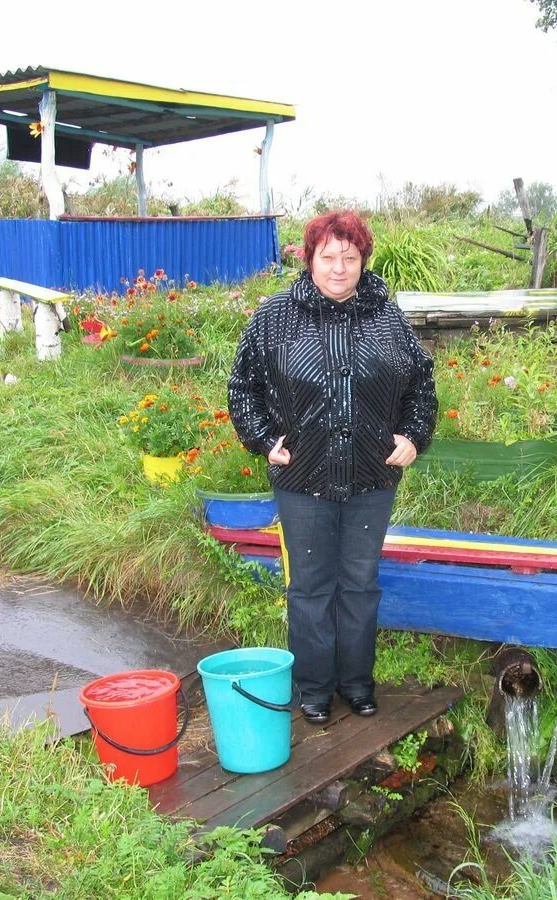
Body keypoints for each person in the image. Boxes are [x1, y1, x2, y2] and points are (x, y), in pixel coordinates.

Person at [228, 210, 437, 723]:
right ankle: (315, 688)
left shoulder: (388, 318)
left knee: (360, 583)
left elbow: (421, 387)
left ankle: (357, 683)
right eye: (329, 257)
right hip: (301, 478)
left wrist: (413, 435)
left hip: (371, 474)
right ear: (309, 258)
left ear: (363, 259)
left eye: (350, 257)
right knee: (311, 586)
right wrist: (262, 439)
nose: (340, 268)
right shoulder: (274, 317)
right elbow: (243, 388)